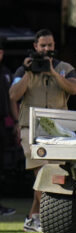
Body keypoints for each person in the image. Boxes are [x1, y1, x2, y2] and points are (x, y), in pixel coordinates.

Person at [9, 29, 76, 232]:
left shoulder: (65, 68)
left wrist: (53, 73)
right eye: (43, 46)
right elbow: (13, 95)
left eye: (50, 45)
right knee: (43, 173)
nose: (47, 49)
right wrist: (29, 72)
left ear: (54, 45)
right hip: (31, 128)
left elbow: (74, 89)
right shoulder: (26, 70)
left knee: (50, 174)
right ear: (35, 47)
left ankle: (33, 218)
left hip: (58, 129)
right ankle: (39, 219)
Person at [0, 37, 16, 216]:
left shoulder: (6, 73)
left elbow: (12, 100)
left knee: (1, 167)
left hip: (2, 125)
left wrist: (16, 122)